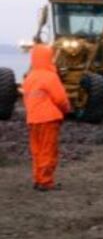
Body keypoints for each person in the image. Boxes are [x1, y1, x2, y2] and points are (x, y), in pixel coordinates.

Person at [22, 44, 71, 191]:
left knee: (36, 150)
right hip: (48, 120)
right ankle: (46, 182)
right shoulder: (50, 76)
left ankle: (38, 179)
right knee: (48, 150)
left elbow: (26, 99)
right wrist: (67, 110)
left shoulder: (29, 78)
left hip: (32, 119)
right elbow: (61, 99)